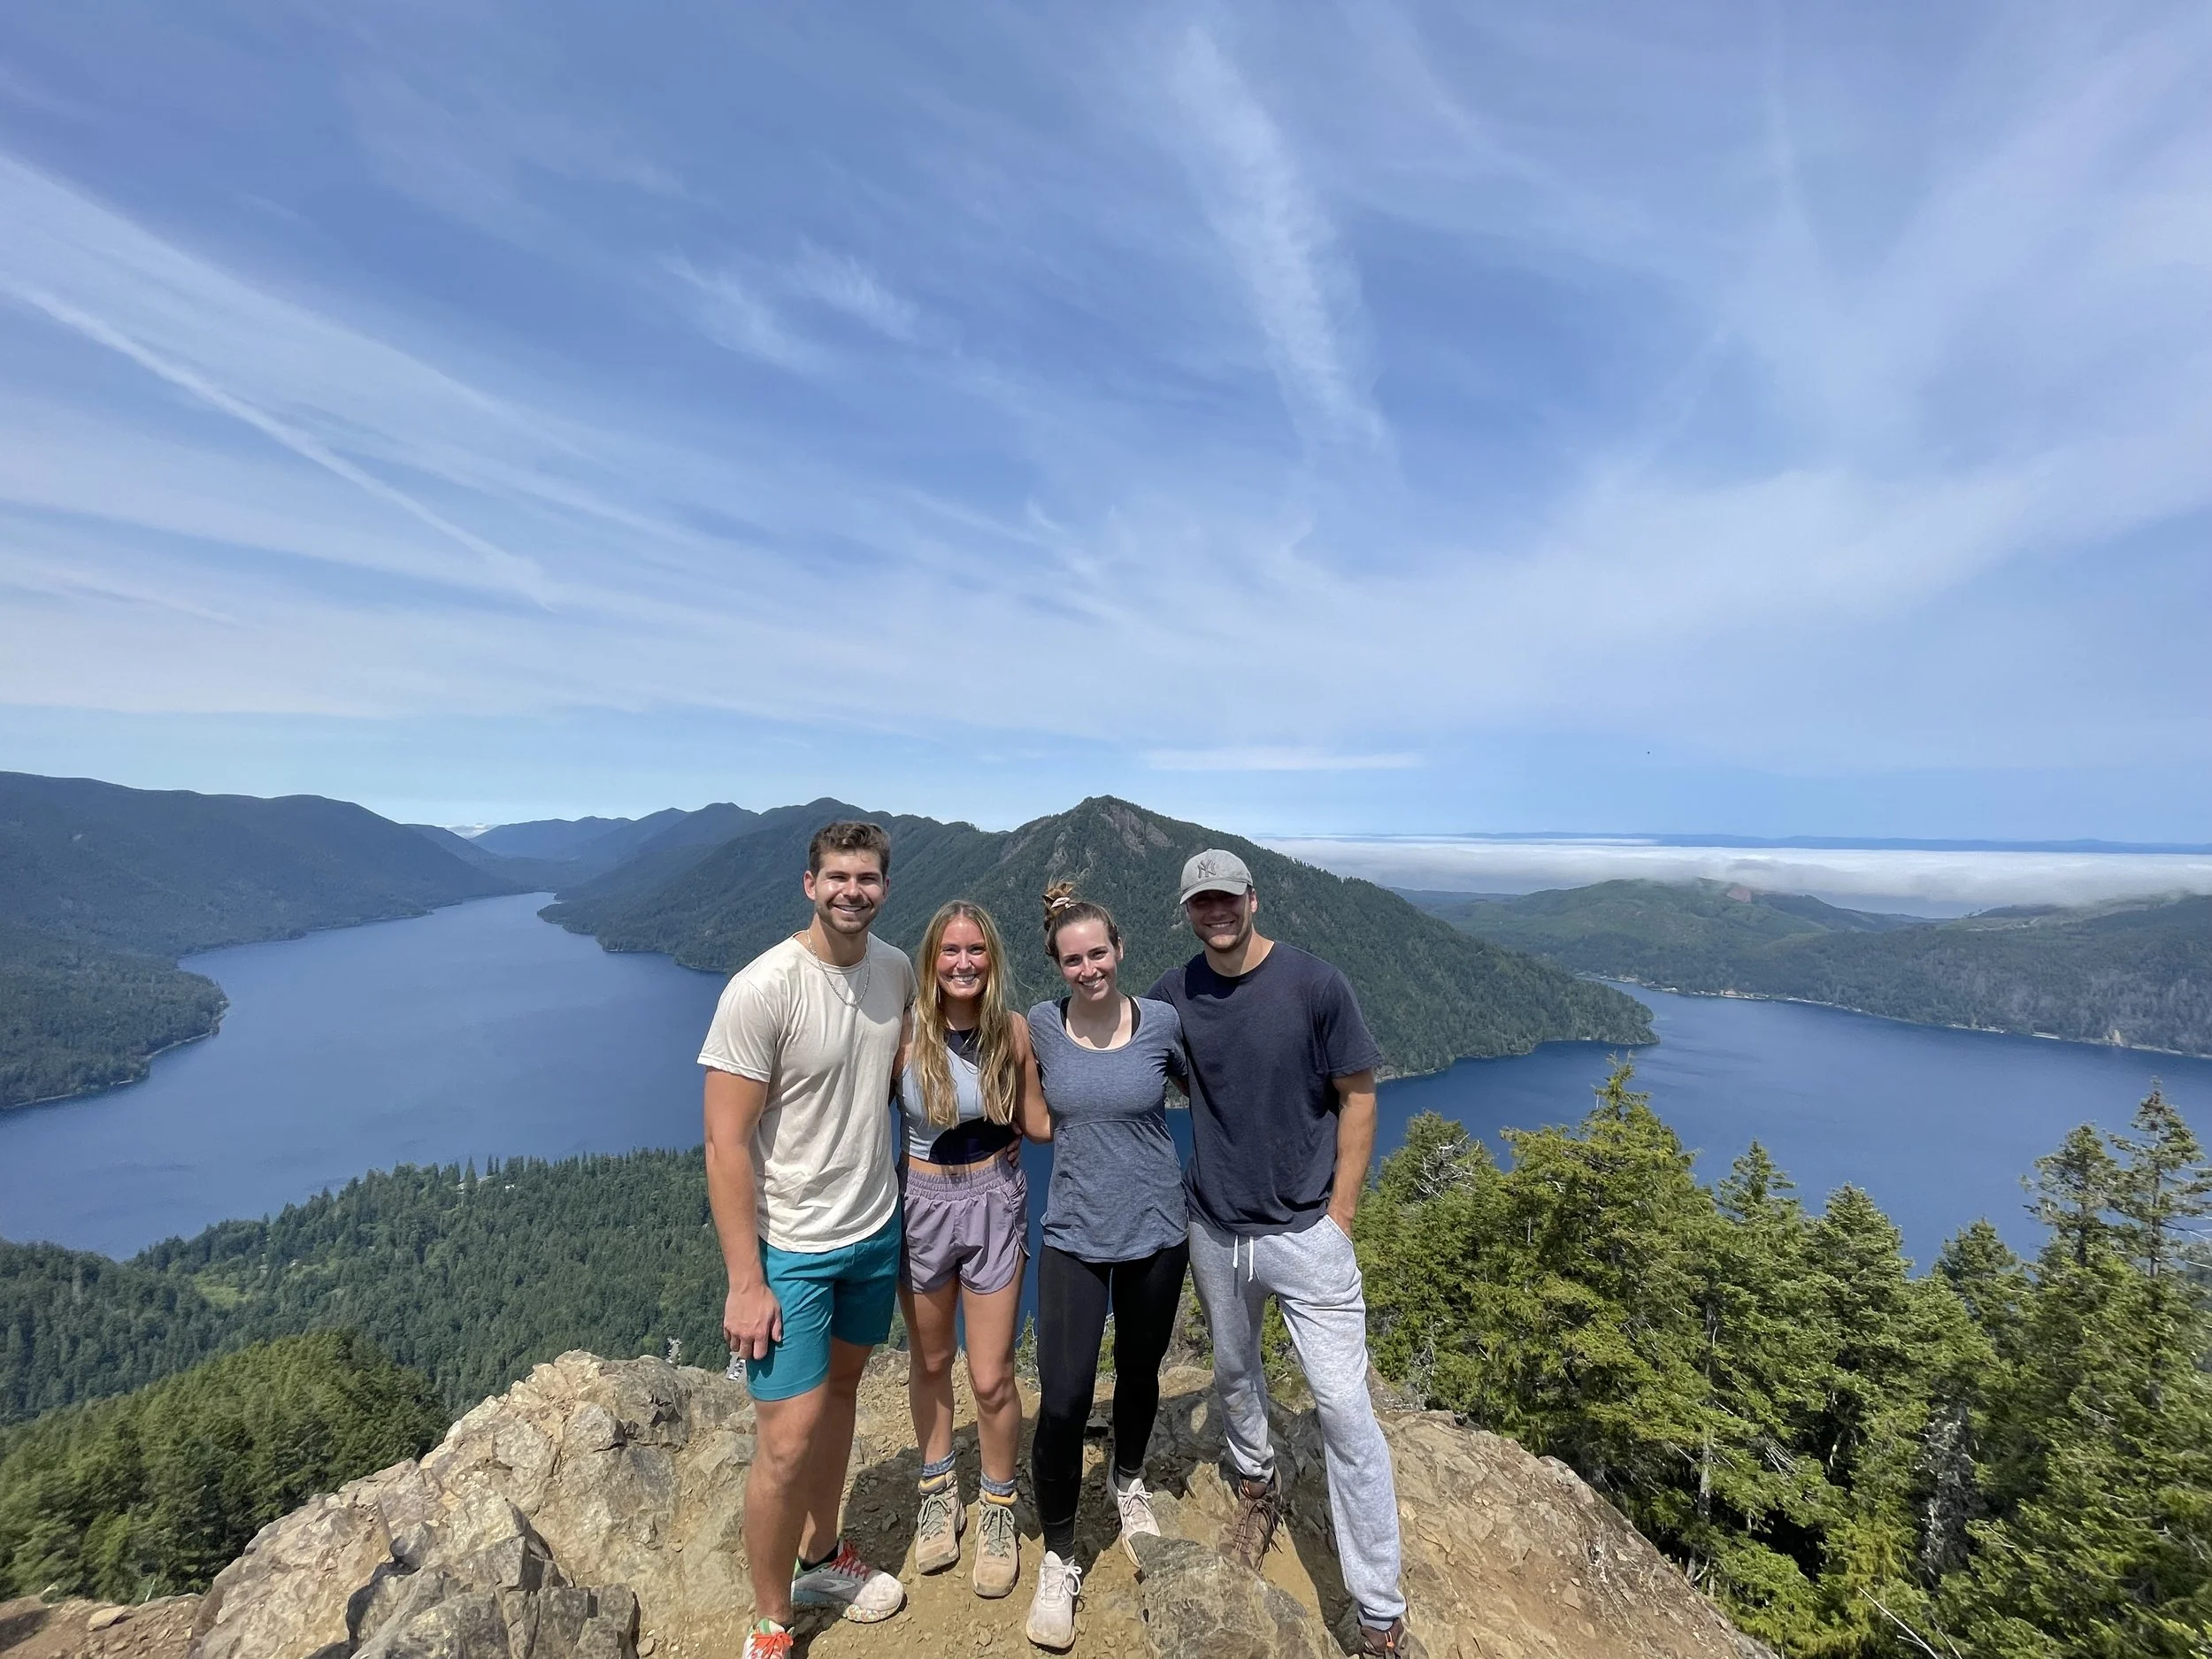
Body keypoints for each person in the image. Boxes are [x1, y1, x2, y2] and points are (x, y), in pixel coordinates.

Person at [1147, 849, 1413, 1658]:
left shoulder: (1316, 984)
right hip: (1217, 1229)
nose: (1217, 912)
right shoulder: (1173, 993)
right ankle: (1257, 1481)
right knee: (1232, 1370)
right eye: (1203, 903)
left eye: (1228, 898)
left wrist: (1340, 1215)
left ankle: (1379, 1611)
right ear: (1189, 911)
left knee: (1343, 1408)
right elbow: (1123, 1052)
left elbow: (1358, 1096)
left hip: (1307, 1235)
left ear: (1253, 900)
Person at [701, 820, 913, 1659]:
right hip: (792, 1249)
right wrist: (745, 1279)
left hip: (872, 1232)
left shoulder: (894, 970)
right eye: (837, 877)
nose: (851, 890)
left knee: (842, 1399)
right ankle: (772, 1619)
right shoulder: (764, 988)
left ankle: (822, 1557)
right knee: (784, 1441)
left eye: (866, 878)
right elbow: (724, 1143)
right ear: (808, 884)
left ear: (884, 888)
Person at [1022, 882, 1193, 1651]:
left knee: (1141, 1371)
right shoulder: (1041, 1026)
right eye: (1073, 958)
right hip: (1074, 1235)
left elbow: (1211, 1092)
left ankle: (1128, 1480)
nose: (1088, 967)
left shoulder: (1161, 1022)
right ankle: (1058, 1555)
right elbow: (1023, 1104)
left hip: (1158, 1227)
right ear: (1056, 964)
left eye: (1099, 953)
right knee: (1061, 1397)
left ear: (1119, 950)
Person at [895, 901, 1050, 1601]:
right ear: (931, 959)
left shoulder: (1012, 1032)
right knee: (930, 1360)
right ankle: (937, 1489)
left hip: (994, 1200)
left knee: (991, 1376)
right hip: (922, 1203)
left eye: (976, 950)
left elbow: (1039, 1119)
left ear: (993, 959)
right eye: (951, 950)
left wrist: (1124, 1077)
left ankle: (995, 1502)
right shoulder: (902, 1036)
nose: (964, 962)